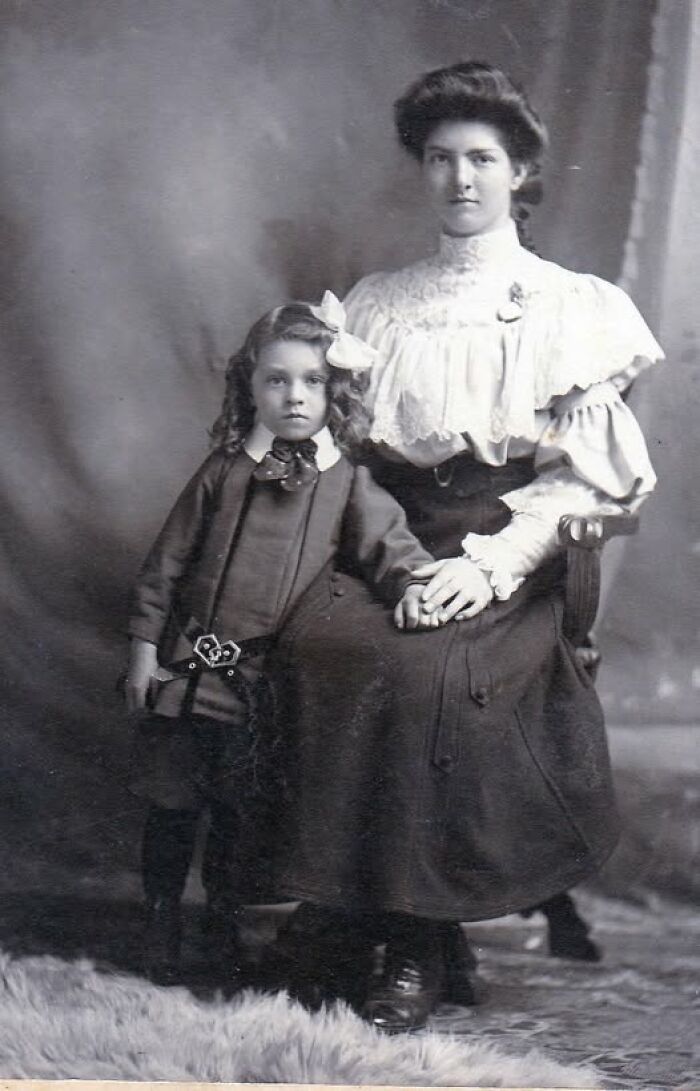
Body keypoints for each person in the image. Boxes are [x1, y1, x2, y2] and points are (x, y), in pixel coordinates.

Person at [269, 62, 664, 1030]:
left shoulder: (573, 304)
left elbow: (586, 477)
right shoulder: (373, 302)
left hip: (510, 550)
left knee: (421, 675)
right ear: (421, 170)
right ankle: (347, 907)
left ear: (520, 170)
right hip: (383, 539)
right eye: (440, 158)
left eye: (482, 158)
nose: (460, 179)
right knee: (311, 647)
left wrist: (485, 564)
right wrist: (396, 557)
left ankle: (411, 931)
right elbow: (344, 453)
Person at [123, 293, 436, 985]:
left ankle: (224, 926)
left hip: (262, 689)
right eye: (277, 379)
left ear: (335, 391)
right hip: (186, 674)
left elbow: (393, 548)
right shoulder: (221, 472)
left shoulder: (348, 481)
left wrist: (415, 584)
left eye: (313, 381)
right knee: (172, 805)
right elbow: (164, 565)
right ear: (250, 387)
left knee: (240, 815)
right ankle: (159, 916)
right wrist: (145, 649)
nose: (295, 396)